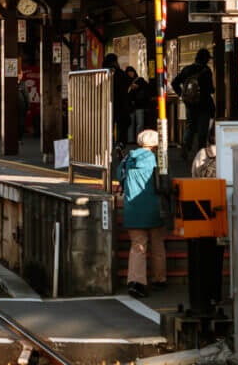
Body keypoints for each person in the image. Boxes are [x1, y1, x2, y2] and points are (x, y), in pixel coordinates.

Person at [118, 128, 167, 298]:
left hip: (133, 209)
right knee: (157, 244)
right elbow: (164, 183)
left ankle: (136, 282)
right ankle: (159, 278)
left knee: (138, 247)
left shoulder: (127, 158)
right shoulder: (158, 160)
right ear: (155, 144)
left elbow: (120, 178)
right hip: (154, 208)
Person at [188, 127, 225, 314]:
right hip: (222, 210)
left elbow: (194, 177)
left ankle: (203, 295)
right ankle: (216, 294)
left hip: (202, 211)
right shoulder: (229, 154)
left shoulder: (203, 154)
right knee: (218, 257)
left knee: (203, 255)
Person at [170, 48, 215, 162]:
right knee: (202, 129)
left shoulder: (186, 70)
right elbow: (210, 89)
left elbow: (174, 83)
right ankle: (200, 152)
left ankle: (186, 145)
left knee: (190, 126)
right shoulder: (206, 71)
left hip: (190, 104)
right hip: (204, 104)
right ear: (205, 59)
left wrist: (182, 95)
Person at [103, 54, 131, 146]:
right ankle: (121, 142)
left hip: (107, 102)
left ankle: (108, 142)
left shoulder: (103, 73)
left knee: (107, 124)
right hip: (121, 103)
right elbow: (127, 83)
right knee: (122, 125)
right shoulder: (120, 73)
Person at [125, 66, 150, 145]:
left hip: (139, 105)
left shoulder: (140, 80)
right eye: (128, 73)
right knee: (132, 123)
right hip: (131, 105)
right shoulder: (126, 82)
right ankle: (131, 140)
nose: (130, 74)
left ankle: (138, 140)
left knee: (138, 123)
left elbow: (146, 89)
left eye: (131, 72)